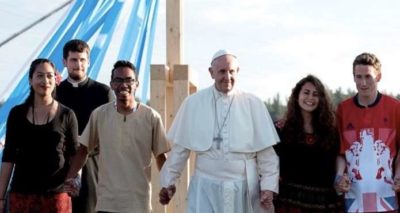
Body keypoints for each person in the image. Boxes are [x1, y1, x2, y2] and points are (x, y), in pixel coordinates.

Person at [159, 50, 280, 213]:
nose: (227, 77)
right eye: (222, 71)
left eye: (231, 71)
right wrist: (168, 183)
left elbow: (267, 155)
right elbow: (180, 150)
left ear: (237, 72)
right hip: (205, 187)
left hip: (242, 188)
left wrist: (268, 187)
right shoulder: (194, 103)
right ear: (211, 73)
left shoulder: (253, 104)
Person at [65, 60, 170, 213]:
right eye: (118, 80)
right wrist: (70, 178)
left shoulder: (151, 117)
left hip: (139, 204)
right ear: (112, 84)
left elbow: (161, 156)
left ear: (137, 84)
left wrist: (168, 185)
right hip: (107, 203)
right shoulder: (99, 115)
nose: (124, 85)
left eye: (129, 80)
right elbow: (83, 150)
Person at [0, 58, 79, 213]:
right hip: (22, 195)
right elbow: (8, 157)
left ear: (56, 80)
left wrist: (76, 179)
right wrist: (1, 197)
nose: (45, 80)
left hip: (57, 197)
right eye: (40, 76)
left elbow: (74, 155)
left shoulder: (67, 114)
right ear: (30, 80)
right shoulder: (17, 114)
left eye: (50, 76)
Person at [335, 52, 400, 212]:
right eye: (358, 77)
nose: (363, 83)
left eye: (368, 76)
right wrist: (338, 176)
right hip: (354, 202)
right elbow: (340, 151)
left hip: (387, 199)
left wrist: (399, 174)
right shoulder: (343, 109)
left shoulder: (395, 108)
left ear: (378, 76)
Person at [56, 39, 113, 213]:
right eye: (73, 60)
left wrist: (82, 150)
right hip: (59, 169)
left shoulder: (103, 93)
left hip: (92, 169)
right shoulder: (55, 93)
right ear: (65, 62)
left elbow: (109, 133)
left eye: (82, 60)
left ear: (88, 61)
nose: (78, 64)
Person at [273, 75, 343, 212]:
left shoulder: (330, 131)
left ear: (321, 100)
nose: (310, 98)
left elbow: (339, 157)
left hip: (324, 202)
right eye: (306, 92)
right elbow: (269, 163)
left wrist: (339, 177)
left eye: (315, 94)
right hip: (290, 201)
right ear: (297, 95)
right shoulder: (282, 129)